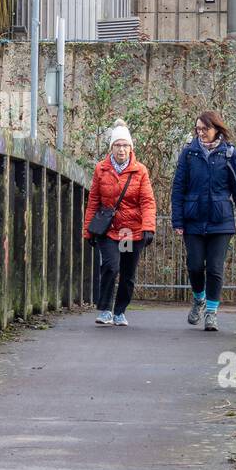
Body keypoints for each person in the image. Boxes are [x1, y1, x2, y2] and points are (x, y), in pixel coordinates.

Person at [170, 110, 236, 331]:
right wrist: (177, 221)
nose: (201, 133)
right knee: (195, 266)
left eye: (205, 129)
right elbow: (178, 188)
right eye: (197, 129)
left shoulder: (230, 154)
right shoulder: (188, 154)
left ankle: (212, 313)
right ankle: (199, 298)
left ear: (216, 128)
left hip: (221, 220)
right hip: (193, 220)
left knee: (215, 268)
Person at [82, 119, 156, 327]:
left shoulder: (140, 171)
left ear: (131, 148)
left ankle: (120, 311)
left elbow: (147, 201)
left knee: (127, 272)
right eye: (117, 145)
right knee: (110, 266)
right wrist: (88, 231)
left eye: (125, 145)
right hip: (110, 228)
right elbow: (94, 200)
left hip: (130, 230)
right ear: (111, 147)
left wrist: (148, 227)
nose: (121, 149)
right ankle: (105, 309)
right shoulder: (101, 169)